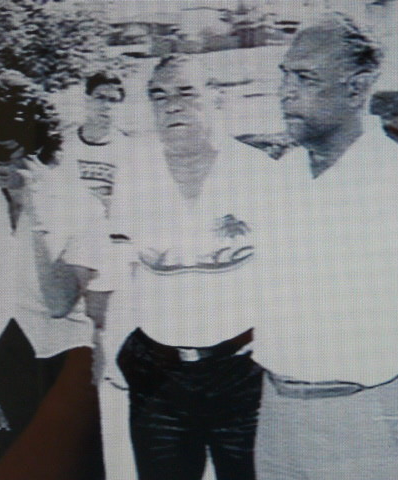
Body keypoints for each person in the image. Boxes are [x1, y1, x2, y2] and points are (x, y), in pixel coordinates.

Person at [250, 13, 398, 480]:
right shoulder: (281, 176)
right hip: (277, 419)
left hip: (365, 421)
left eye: (305, 78)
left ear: (356, 88)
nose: (286, 92)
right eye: (285, 76)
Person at [90, 54, 276, 480]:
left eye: (186, 92)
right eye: (159, 96)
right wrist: (116, 351)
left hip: (241, 378)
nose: (171, 105)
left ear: (218, 98)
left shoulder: (262, 174)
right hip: (159, 380)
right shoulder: (134, 177)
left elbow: (289, 277)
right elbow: (118, 271)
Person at [0, 72, 104, 479]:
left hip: (61, 376)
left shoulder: (79, 205)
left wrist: (33, 207)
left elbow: (60, 301)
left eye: (2, 150)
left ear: (33, 142)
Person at [62, 72, 129, 214]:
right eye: (100, 97)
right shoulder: (64, 142)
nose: (106, 105)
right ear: (87, 100)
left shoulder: (128, 148)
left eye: (113, 100)